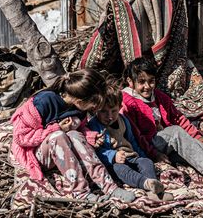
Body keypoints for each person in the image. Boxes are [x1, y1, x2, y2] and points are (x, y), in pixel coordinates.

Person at [10, 69, 135, 202]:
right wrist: (57, 128)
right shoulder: (43, 102)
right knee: (57, 136)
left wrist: (91, 136)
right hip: (37, 153)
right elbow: (20, 137)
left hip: (61, 149)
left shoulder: (80, 109)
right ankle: (81, 192)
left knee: (75, 134)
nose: (94, 108)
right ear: (81, 100)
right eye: (93, 104)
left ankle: (110, 187)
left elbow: (80, 128)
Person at [121, 57, 203, 187]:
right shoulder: (129, 102)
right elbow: (135, 135)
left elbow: (178, 117)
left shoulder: (158, 96)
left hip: (166, 144)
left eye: (151, 81)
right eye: (141, 82)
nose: (147, 87)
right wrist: (154, 154)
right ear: (130, 82)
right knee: (175, 132)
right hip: (148, 145)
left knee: (196, 148)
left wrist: (196, 136)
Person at [85, 79, 173, 200]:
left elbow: (132, 141)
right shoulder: (94, 126)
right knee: (120, 169)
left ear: (120, 107)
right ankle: (146, 184)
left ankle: (153, 187)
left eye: (114, 111)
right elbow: (96, 152)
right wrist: (113, 155)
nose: (110, 116)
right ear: (96, 109)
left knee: (146, 162)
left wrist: (141, 156)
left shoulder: (123, 120)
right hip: (113, 163)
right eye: (104, 111)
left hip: (131, 157)